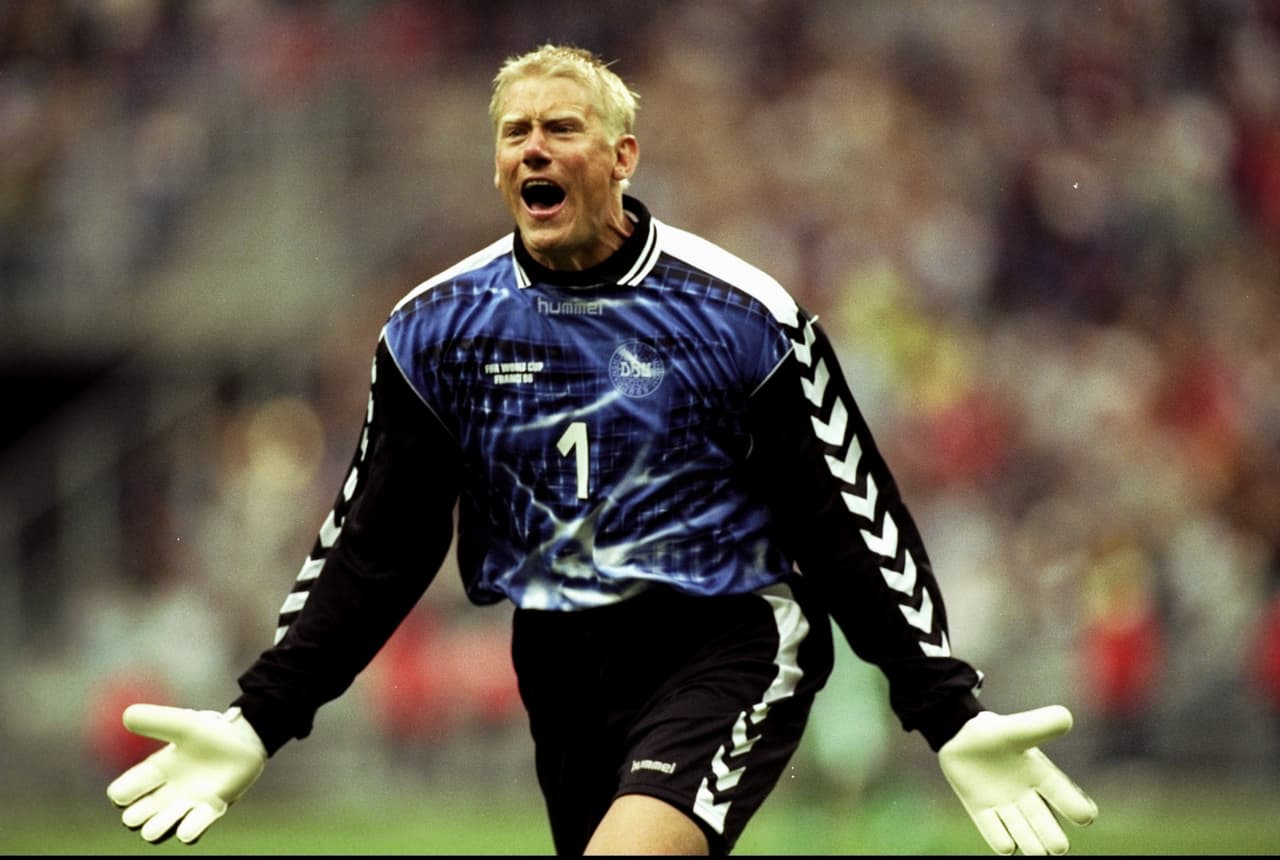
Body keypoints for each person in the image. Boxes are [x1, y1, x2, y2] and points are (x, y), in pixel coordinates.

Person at [106, 43, 1098, 856]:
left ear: (622, 155)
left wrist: (947, 707)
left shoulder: (741, 314)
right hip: (561, 660)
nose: (533, 148)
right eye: (513, 132)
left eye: (561, 128)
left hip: (730, 633)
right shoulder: (433, 331)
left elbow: (841, 514)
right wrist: (257, 715)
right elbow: (376, 546)